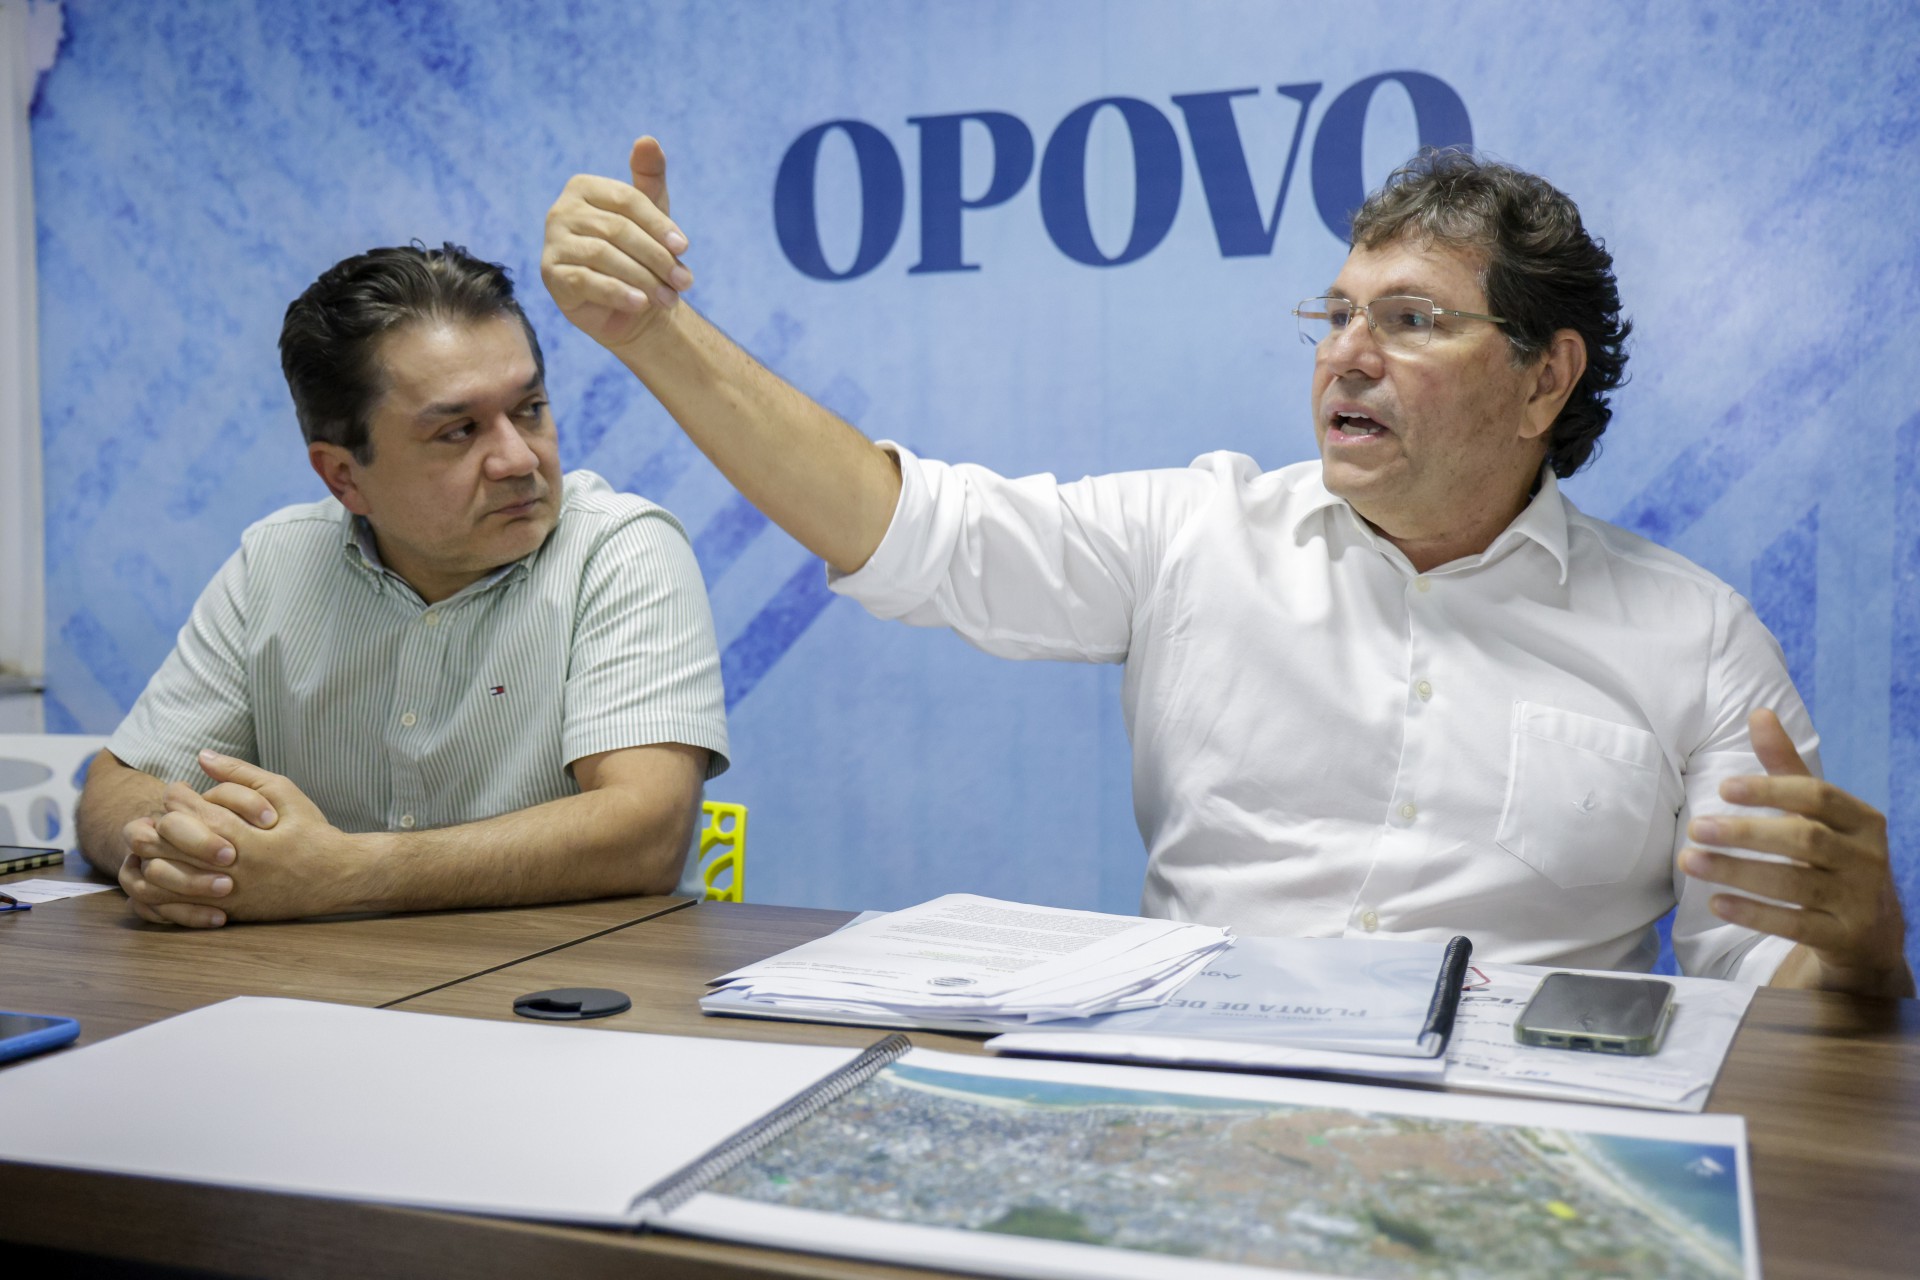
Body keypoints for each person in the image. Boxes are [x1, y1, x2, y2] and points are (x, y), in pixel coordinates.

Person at [539, 140, 1911, 997]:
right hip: (1192, 1124)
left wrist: (1858, 955)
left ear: (1544, 377)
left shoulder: (1697, 639)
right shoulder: (1195, 535)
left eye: (1412, 320)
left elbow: (1767, 993)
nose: (1345, 355)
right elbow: (895, 525)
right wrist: (656, 336)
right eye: (1337, 314)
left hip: (1517, 1165)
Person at [76, 243, 729, 928]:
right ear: (343, 477)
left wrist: (342, 875)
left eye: (529, 408)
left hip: (567, 995)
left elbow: (644, 833)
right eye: (459, 430)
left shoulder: (619, 548)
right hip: (318, 993)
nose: (516, 458)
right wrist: (183, 846)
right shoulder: (275, 562)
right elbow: (114, 788)